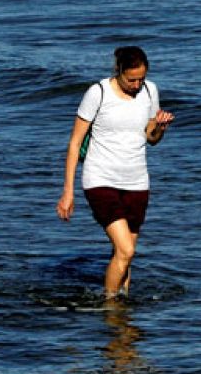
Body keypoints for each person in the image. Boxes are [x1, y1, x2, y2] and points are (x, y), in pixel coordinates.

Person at [59, 46, 175, 299]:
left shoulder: (150, 91)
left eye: (141, 79)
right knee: (126, 251)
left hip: (136, 181)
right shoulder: (98, 93)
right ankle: (110, 306)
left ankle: (123, 310)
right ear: (118, 71)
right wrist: (68, 192)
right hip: (100, 179)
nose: (136, 84)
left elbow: (150, 138)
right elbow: (74, 143)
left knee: (126, 252)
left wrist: (161, 128)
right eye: (131, 79)